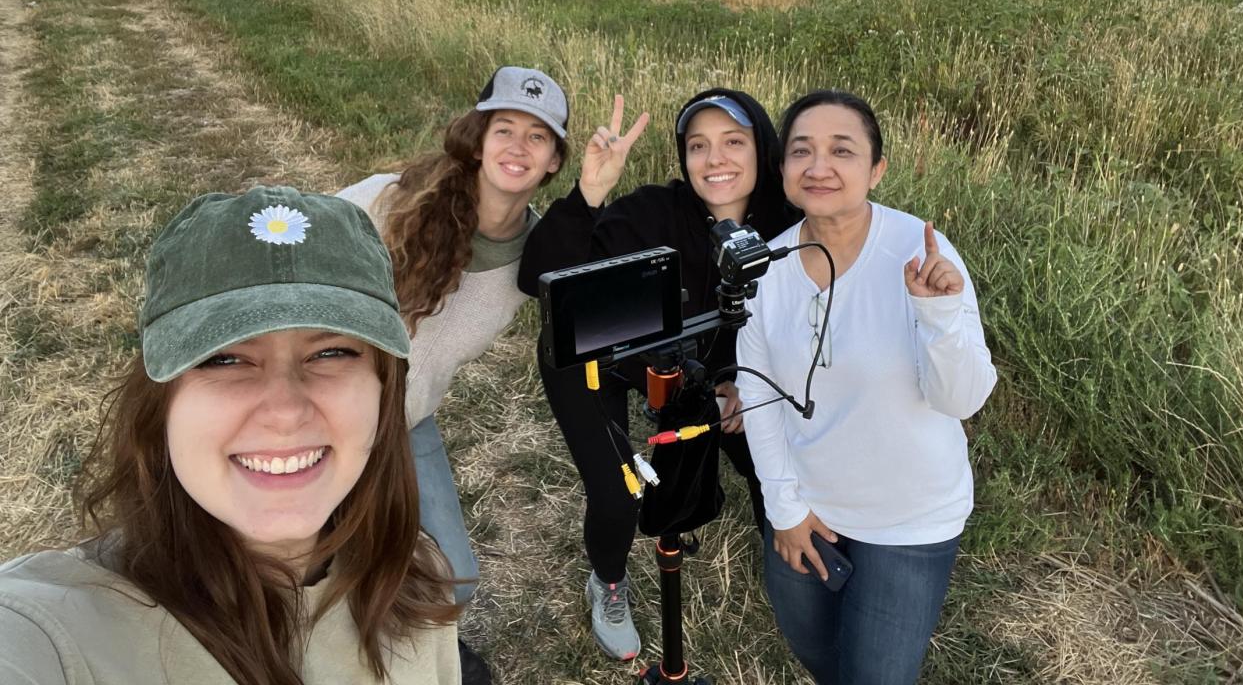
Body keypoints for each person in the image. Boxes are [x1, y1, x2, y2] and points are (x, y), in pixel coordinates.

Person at [0, 186, 461, 685]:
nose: (285, 412)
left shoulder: (414, 575)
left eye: (331, 352)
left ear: (383, 388)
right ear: (161, 403)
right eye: (225, 358)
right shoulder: (52, 631)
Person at [334, 67, 645, 677]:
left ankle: (409, 657)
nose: (517, 148)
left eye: (538, 137)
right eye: (504, 129)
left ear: (554, 160)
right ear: (478, 139)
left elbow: (575, 270)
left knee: (454, 585)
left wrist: (592, 191)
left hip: (406, 423)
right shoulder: (384, 201)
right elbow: (285, 252)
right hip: (323, 420)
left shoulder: (537, 254)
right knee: (320, 576)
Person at [518, 88, 798, 660]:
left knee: (773, 452)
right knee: (621, 494)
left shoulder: (788, 225)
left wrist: (734, 380)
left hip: (701, 368)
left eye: (733, 142)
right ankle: (609, 583)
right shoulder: (651, 213)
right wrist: (590, 192)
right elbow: (539, 276)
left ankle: (789, 562)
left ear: (763, 151)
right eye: (698, 146)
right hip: (594, 362)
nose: (714, 159)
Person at [735, 89, 998, 684]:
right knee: (821, 657)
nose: (819, 166)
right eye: (801, 151)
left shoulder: (918, 253)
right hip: (810, 509)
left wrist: (938, 314)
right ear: (782, 170)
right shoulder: (765, 269)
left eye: (842, 151)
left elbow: (962, 399)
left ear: (876, 169)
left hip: (910, 519)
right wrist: (784, 509)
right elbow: (760, 396)